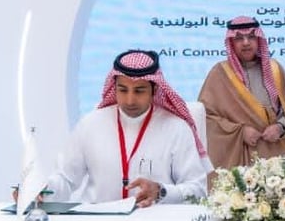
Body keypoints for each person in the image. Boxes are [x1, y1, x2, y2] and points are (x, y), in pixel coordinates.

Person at [45, 50, 210, 208]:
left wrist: (161, 191)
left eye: (139, 91)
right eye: (123, 90)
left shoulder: (176, 128)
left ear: (155, 90)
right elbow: (65, 179)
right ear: (114, 87)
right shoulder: (90, 124)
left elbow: (198, 191)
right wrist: (43, 191)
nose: (130, 100)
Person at [198, 16, 285, 169]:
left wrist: (280, 127)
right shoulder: (220, 74)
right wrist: (240, 132)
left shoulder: (275, 69)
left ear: (259, 40)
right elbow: (206, 116)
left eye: (251, 37)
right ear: (231, 43)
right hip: (240, 156)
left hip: (276, 153)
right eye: (239, 38)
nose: (246, 42)